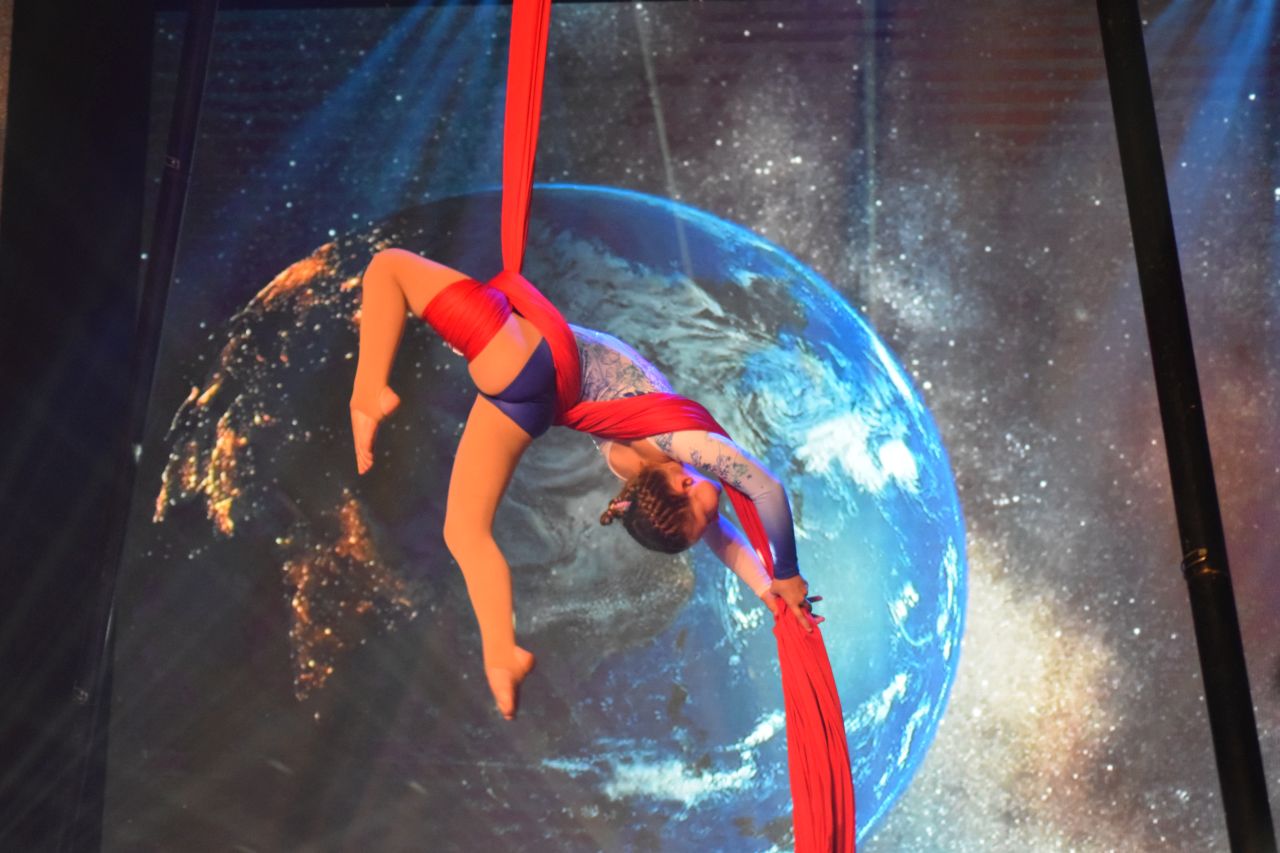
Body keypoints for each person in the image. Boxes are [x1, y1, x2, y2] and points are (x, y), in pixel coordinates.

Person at [349, 247, 819, 720]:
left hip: (523, 357)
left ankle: (369, 394)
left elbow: (762, 490)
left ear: (681, 486)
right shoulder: (641, 469)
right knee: (463, 532)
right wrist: (770, 586)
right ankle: (501, 655)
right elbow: (740, 516)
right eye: (710, 515)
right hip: (527, 396)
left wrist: (784, 575)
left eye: (707, 513)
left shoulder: (680, 445)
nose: (718, 516)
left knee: (390, 268)